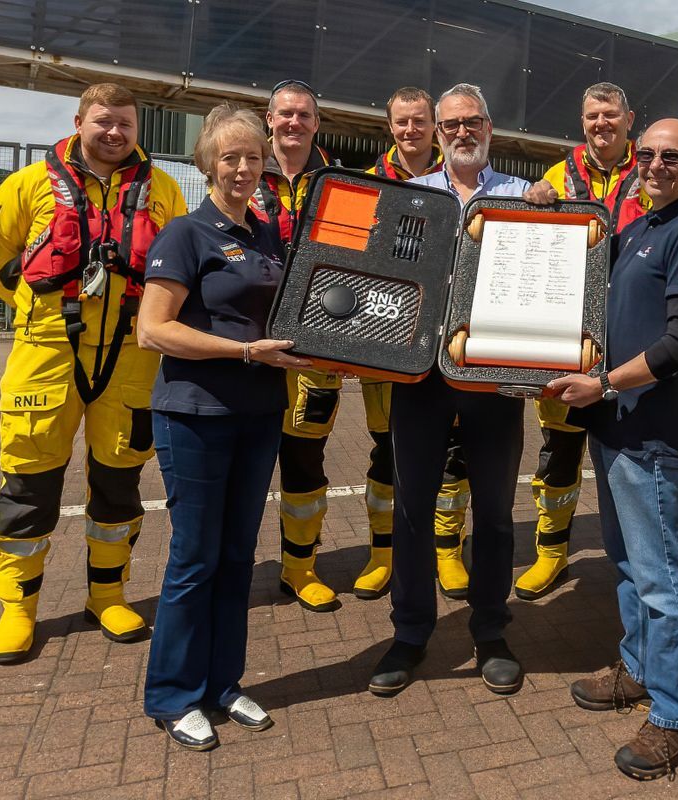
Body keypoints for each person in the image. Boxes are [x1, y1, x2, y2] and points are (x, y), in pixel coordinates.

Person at [0, 83, 187, 664]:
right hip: (46, 353)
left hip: (131, 354)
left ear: (137, 128)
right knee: (29, 484)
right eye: (103, 121)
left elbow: (179, 270)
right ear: (79, 121)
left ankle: (107, 594)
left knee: (119, 479)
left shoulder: (165, 191)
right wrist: (35, 310)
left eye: (125, 123)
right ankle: (18, 605)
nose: (114, 132)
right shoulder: (27, 185)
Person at [550, 119, 678, 780]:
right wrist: (547, 212)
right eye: (647, 153)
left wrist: (602, 382)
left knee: (665, 579)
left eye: (671, 156)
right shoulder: (644, 225)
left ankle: (676, 714)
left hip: (648, 433)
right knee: (629, 566)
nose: (655, 164)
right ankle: (638, 669)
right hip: (614, 426)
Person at [139, 104, 311, 750]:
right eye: (230, 157)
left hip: (259, 416)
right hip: (194, 416)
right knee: (194, 556)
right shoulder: (185, 233)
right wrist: (243, 352)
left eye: (252, 158)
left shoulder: (269, 236)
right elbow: (152, 329)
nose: (243, 168)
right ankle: (172, 695)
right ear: (209, 163)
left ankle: (223, 683)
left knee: (239, 556)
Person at [368, 84, 530, 698]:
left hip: (494, 378)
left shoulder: (525, 197)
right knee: (412, 508)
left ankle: (490, 631)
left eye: (474, 122)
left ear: (490, 128)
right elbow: (388, 276)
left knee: (493, 511)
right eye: (452, 124)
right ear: (437, 134)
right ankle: (409, 633)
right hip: (422, 375)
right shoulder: (412, 197)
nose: (463, 132)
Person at [516, 82, 652, 601]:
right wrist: (534, 202)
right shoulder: (557, 175)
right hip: (568, 337)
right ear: (583, 121)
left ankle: (635, 553)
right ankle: (551, 553)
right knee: (559, 451)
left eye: (611, 115)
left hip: (628, 335)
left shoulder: (652, 170)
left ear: (629, 118)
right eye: (593, 115)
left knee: (629, 449)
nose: (602, 124)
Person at [358, 86, 472, 602]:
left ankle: (448, 553)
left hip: (452, 339)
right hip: (392, 335)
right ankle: (383, 554)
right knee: (388, 453)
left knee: (454, 455)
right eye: (401, 122)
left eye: (420, 122)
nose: (411, 131)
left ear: (437, 127)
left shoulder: (464, 181)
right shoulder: (368, 184)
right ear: (390, 127)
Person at [252, 79, 343, 613]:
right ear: (269, 118)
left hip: (314, 350)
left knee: (305, 462)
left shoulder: (339, 182)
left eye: (303, 115)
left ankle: (299, 568)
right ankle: (232, 564)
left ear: (316, 122)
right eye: (285, 113)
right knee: (245, 460)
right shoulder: (241, 170)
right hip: (250, 344)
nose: (293, 123)